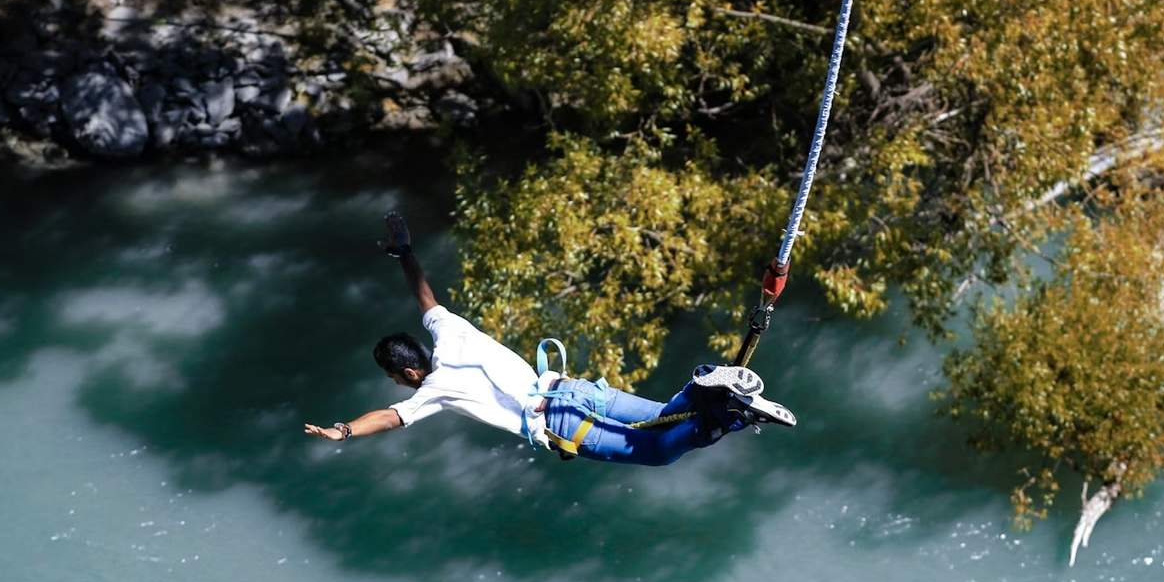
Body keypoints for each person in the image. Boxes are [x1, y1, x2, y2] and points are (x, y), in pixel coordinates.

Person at [303, 212, 795, 464]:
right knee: (665, 417)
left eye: (395, 377)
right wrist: (404, 251)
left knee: (658, 451)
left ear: (409, 372)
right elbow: (424, 296)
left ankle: (727, 409)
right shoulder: (448, 331)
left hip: (562, 421)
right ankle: (712, 390)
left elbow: (389, 418)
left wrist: (343, 430)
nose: (397, 386)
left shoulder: (434, 391)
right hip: (569, 388)